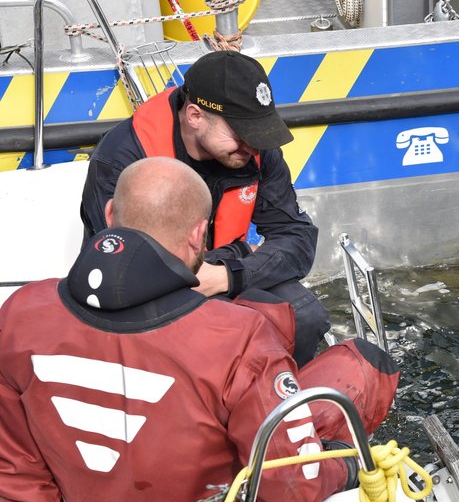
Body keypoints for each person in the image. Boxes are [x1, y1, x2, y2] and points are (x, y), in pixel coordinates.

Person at [0, 157, 399, 502]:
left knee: (268, 314)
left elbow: (15, 470)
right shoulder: (238, 337)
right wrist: (347, 468)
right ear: (197, 234)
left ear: (111, 215)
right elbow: (291, 489)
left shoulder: (21, 312)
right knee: (362, 366)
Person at [79, 50, 329, 367]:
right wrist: (239, 252)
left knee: (303, 317)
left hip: (223, 281)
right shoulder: (123, 158)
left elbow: (297, 238)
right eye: (241, 133)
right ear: (196, 116)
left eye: (259, 132)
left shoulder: (255, 150)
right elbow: (130, 267)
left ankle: (274, 409)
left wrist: (228, 274)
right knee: (217, 342)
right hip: (143, 299)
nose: (253, 146)